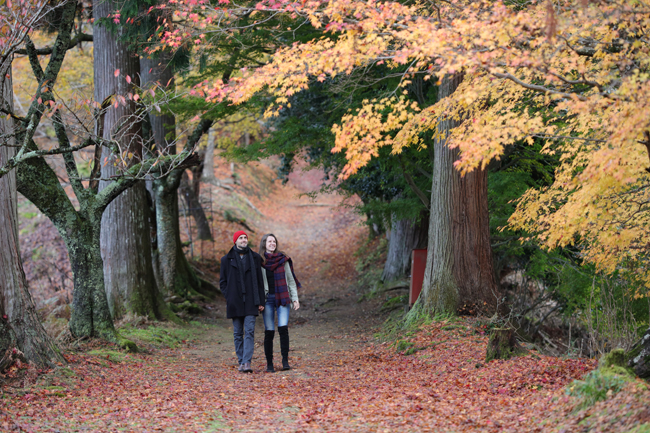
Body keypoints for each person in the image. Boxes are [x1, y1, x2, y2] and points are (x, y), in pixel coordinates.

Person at [220, 230, 265, 373]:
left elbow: (260, 282)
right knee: (238, 333)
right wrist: (229, 296)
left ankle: (247, 362)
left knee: (250, 331)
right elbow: (223, 282)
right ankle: (241, 360)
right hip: (235, 302)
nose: (244, 240)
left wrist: (261, 301)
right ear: (235, 241)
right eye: (241, 238)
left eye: (245, 238)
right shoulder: (226, 260)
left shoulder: (255, 258)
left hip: (251, 301)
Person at [258, 233, 301, 372]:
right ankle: (269, 364)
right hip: (268, 299)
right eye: (269, 241)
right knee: (269, 331)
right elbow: (257, 284)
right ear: (264, 244)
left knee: (283, 328)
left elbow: (290, 281)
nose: (272, 243)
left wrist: (295, 299)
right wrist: (258, 301)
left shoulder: (283, 260)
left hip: (282, 297)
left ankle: (285, 361)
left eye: (274, 241)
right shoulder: (260, 262)